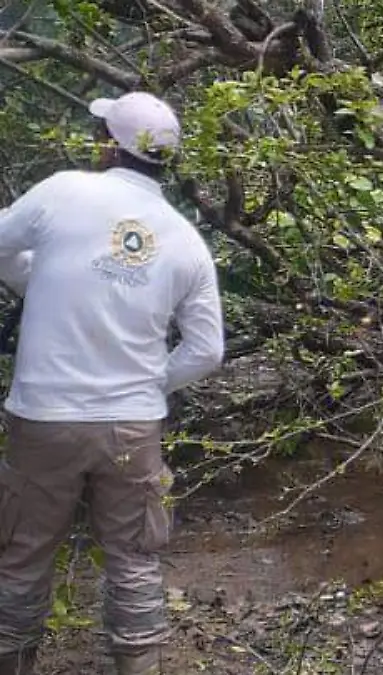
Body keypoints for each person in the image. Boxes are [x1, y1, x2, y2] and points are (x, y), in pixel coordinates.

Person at [0, 91, 225, 675]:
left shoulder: (63, 191)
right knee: (134, 559)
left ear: (109, 145)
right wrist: (152, 384)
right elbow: (206, 351)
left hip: (43, 419)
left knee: (22, 555)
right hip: (131, 426)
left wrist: (36, 281)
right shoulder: (186, 240)